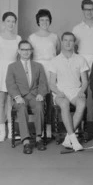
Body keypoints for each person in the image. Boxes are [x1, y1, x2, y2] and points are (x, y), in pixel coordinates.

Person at [6, 40, 48, 154]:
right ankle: (26, 141)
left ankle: (39, 137)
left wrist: (41, 94)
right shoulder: (12, 66)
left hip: (34, 96)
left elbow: (43, 83)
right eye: (23, 49)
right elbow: (10, 84)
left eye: (28, 49)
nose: (26, 52)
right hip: (20, 97)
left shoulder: (38, 66)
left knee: (39, 106)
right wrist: (16, 96)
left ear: (31, 51)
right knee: (22, 107)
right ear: (19, 51)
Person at [49, 32, 89, 151]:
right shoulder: (54, 60)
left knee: (82, 104)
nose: (68, 43)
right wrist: (58, 91)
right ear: (61, 42)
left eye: (70, 40)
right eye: (65, 40)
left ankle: (67, 139)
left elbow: (85, 81)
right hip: (60, 91)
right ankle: (74, 139)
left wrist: (82, 91)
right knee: (65, 104)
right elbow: (51, 83)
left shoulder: (81, 59)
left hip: (75, 91)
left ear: (74, 43)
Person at [0, 12, 22, 142]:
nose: (11, 24)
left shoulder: (18, 38)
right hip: (0, 71)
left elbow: (19, 58)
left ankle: (11, 132)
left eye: (13, 21)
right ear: (3, 23)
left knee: (11, 103)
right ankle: (2, 132)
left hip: (13, 71)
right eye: (8, 21)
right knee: (0, 102)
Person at [28, 9, 61, 138]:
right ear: (38, 21)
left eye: (47, 19)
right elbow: (28, 55)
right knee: (39, 98)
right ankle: (39, 129)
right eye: (41, 20)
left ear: (50, 21)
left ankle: (49, 128)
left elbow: (57, 53)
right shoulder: (32, 37)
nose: (44, 22)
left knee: (50, 99)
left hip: (51, 68)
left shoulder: (54, 37)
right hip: (37, 69)